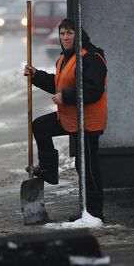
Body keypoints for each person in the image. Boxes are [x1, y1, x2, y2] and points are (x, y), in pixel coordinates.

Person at [24, 18, 107, 220]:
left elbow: (93, 89)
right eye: (62, 34)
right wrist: (36, 76)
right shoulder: (66, 58)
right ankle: (49, 170)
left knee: (87, 166)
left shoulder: (91, 57)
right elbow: (58, 83)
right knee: (40, 126)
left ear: (78, 35)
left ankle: (95, 212)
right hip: (70, 117)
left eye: (69, 33)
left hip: (87, 121)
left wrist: (66, 97)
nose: (65, 37)